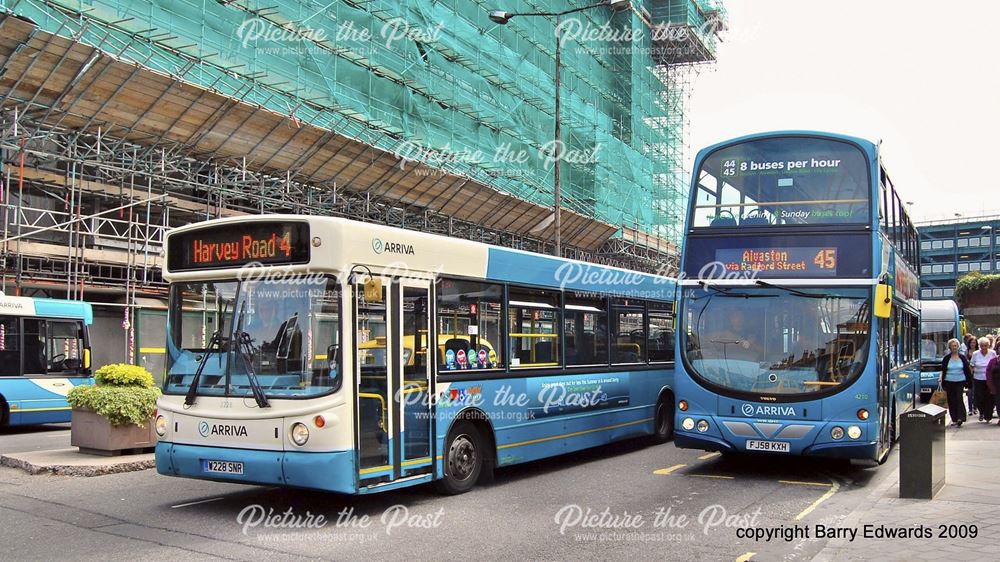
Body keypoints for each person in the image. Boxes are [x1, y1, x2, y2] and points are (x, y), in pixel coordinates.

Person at [940, 338, 973, 427]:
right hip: (949, 381)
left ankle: (960, 418)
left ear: (958, 347)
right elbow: (943, 370)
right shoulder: (946, 358)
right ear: (949, 347)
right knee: (951, 400)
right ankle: (954, 419)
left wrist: (969, 382)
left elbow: (967, 370)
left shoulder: (962, 357)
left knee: (959, 398)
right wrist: (941, 380)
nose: (954, 347)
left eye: (955, 346)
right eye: (952, 346)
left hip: (960, 381)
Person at [970, 337, 997, 422]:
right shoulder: (975, 354)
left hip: (989, 378)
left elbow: (996, 363)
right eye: (982, 346)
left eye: (985, 345)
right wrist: (971, 373)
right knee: (980, 397)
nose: (984, 348)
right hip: (978, 378)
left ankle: (988, 416)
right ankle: (982, 412)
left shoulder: (993, 353)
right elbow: (971, 365)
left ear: (988, 345)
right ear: (980, 346)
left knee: (989, 397)